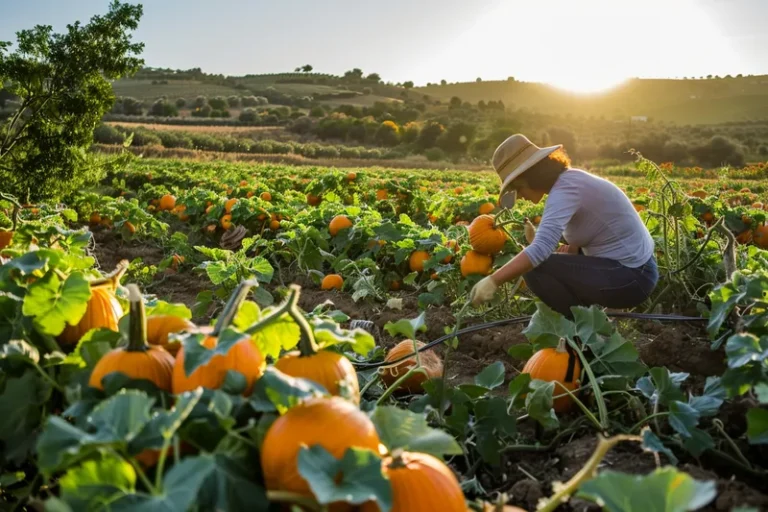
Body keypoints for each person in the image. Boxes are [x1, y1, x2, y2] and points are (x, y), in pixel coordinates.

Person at [470, 134, 658, 317]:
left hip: (633, 278)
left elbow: (541, 252)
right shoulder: (569, 182)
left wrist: (493, 281)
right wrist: (537, 241)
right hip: (633, 269)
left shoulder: (566, 190)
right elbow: (572, 252)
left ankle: (583, 327)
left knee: (534, 269)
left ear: (529, 178)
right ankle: (595, 320)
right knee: (541, 263)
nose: (519, 196)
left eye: (517, 189)